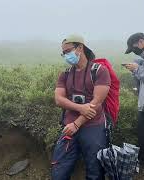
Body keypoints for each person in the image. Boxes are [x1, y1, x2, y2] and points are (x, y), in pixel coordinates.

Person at [51, 35, 111, 180]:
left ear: (80, 48)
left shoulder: (99, 71)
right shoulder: (65, 74)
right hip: (69, 126)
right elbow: (58, 99)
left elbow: (96, 103)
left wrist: (77, 123)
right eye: (63, 53)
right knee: (59, 169)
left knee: (95, 171)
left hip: (94, 127)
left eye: (68, 51)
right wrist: (80, 108)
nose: (66, 55)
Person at [124, 32, 144, 164]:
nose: (134, 51)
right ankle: (143, 167)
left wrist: (137, 69)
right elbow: (143, 82)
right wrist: (136, 71)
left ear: (141, 42)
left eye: (134, 48)